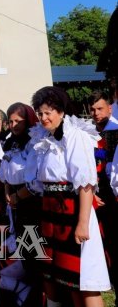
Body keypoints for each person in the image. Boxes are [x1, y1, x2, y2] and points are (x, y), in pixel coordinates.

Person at [26, 85, 111, 304]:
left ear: (61, 111)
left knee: (82, 279)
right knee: (62, 277)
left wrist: (82, 223)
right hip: (52, 212)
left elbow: (85, 182)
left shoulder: (75, 136)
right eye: (40, 113)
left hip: (73, 211)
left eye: (48, 112)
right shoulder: (45, 139)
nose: (44, 118)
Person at [0, 102, 40, 256]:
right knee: (20, 241)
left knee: (31, 243)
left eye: (18, 121)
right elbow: (6, 171)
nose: (14, 125)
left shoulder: (33, 143)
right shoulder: (11, 142)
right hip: (14, 198)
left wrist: (17, 196)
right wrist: (8, 192)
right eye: (10, 121)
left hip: (29, 199)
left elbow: (35, 179)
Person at [87, 90, 118, 284]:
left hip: (113, 190)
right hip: (94, 192)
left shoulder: (116, 131)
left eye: (100, 108)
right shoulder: (87, 134)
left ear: (110, 107)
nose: (96, 113)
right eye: (92, 109)